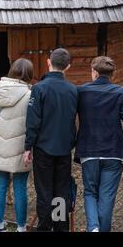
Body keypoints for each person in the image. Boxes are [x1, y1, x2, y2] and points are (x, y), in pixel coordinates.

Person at [75, 56, 123, 232]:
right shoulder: (121, 91)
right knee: (107, 196)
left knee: (90, 192)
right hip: (113, 150)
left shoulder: (82, 91)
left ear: (94, 72)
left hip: (89, 149)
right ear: (112, 74)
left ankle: (93, 227)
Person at [24, 48, 78, 232]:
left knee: (44, 190)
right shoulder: (73, 90)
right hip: (64, 148)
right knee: (61, 190)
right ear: (68, 67)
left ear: (48, 62)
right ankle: (60, 227)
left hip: (43, 148)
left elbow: (33, 121)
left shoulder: (39, 88)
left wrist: (28, 146)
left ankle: (45, 227)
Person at [0, 58, 34, 232]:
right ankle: (21, 227)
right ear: (29, 74)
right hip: (20, 146)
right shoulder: (31, 95)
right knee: (20, 186)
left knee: (0, 184)